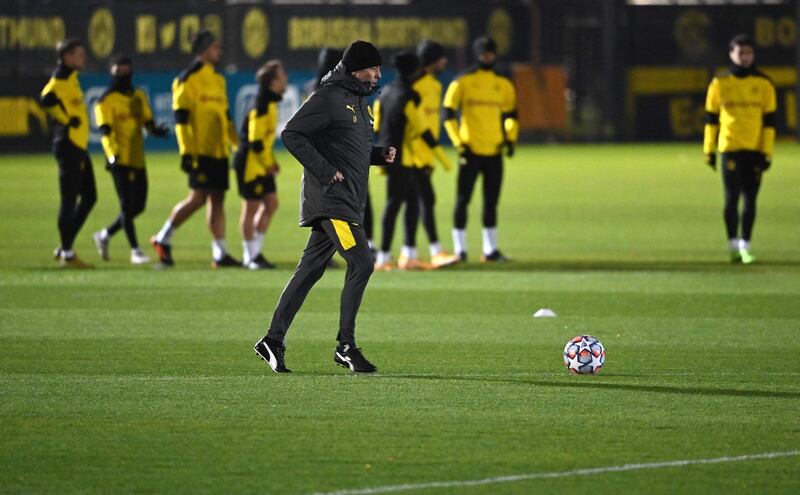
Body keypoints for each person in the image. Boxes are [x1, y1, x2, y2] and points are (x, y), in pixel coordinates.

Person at [254, 40, 395, 374]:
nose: (377, 75)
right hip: (334, 201)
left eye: (378, 69)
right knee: (362, 263)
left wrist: (378, 155)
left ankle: (272, 340)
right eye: (372, 69)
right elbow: (292, 135)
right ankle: (345, 347)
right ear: (355, 69)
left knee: (310, 270)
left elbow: (348, 148)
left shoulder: (358, 100)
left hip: (348, 199)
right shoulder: (329, 97)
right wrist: (324, 171)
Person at [150, 30, 240, 268]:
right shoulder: (187, 79)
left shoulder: (218, 79)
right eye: (215, 47)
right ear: (203, 51)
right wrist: (186, 151)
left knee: (217, 199)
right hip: (200, 151)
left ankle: (219, 253)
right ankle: (162, 237)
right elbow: (181, 120)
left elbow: (226, 117)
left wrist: (236, 145)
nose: (219, 51)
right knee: (199, 198)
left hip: (219, 151)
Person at [373, 51, 453, 271]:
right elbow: (420, 128)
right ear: (414, 70)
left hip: (387, 155)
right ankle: (384, 258)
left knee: (408, 203)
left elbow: (377, 125)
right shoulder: (409, 95)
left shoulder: (385, 92)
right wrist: (442, 156)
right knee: (397, 205)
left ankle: (406, 256)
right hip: (404, 158)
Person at [443, 36, 518, 262]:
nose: (487, 56)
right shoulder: (463, 81)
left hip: (494, 151)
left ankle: (490, 249)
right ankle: (460, 249)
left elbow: (511, 115)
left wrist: (510, 139)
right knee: (463, 200)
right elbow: (447, 115)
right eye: (484, 53)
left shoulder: (503, 84)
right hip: (470, 150)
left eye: (490, 53)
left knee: (491, 202)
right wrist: (459, 143)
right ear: (477, 54)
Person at [703, 34, 776, 264]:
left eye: (748, 53)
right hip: (729, 147)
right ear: (731, 54)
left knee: (751, 198)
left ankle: (746, 243)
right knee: (731, 197)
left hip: (754, 149)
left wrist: (767, 151)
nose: (744, 57)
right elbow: (711, 119)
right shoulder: (719, 84)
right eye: (740, 53)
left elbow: (770, 122)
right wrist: (709, 149)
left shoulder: (764, 84)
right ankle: (733, 243)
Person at [92, 55, 169, 265]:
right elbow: (105, 131)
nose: (123, 75)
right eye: (119, 71)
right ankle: (135, 250)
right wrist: (111, 154)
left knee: (139, 206)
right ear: (112, 73)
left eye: (127, 71)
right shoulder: (106, 100)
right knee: (127, 205)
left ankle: (105, 235)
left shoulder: (138, 96)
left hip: (137, 157)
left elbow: (147, 121)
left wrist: (156, 131)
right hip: (119, 159)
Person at [39, 38, 96, 268]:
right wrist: (65, 119)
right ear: (67, 57)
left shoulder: (71, 78)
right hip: (69, 146)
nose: (83, 58)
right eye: (79, 54)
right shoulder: (60, 79)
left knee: (90, 197)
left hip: (78, 147)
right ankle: (68, 254)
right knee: (69, 199)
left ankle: (66, 245)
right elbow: (46, 98)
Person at [233, 60, 288, 269]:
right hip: (249, 163)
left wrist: (271, 162)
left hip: (261, 163)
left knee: (272, 204)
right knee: (250, 207)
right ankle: (250, 256)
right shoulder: (262, 104)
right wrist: (267, 164)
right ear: (273, 81)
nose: (285, 78)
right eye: (282, 75)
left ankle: (255, 252)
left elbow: (263, 142)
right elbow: (255, 143)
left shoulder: (270, 102)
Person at [411, 39, 460, 268]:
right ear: (432, 61)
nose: (445, 62)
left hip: (425, 156)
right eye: (441, 58)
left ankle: (408, 253)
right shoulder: (416, 86)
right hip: (413, 156)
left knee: (418, 202)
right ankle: (434, 251)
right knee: (423, 201)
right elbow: (415, 124)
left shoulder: (435, 85)